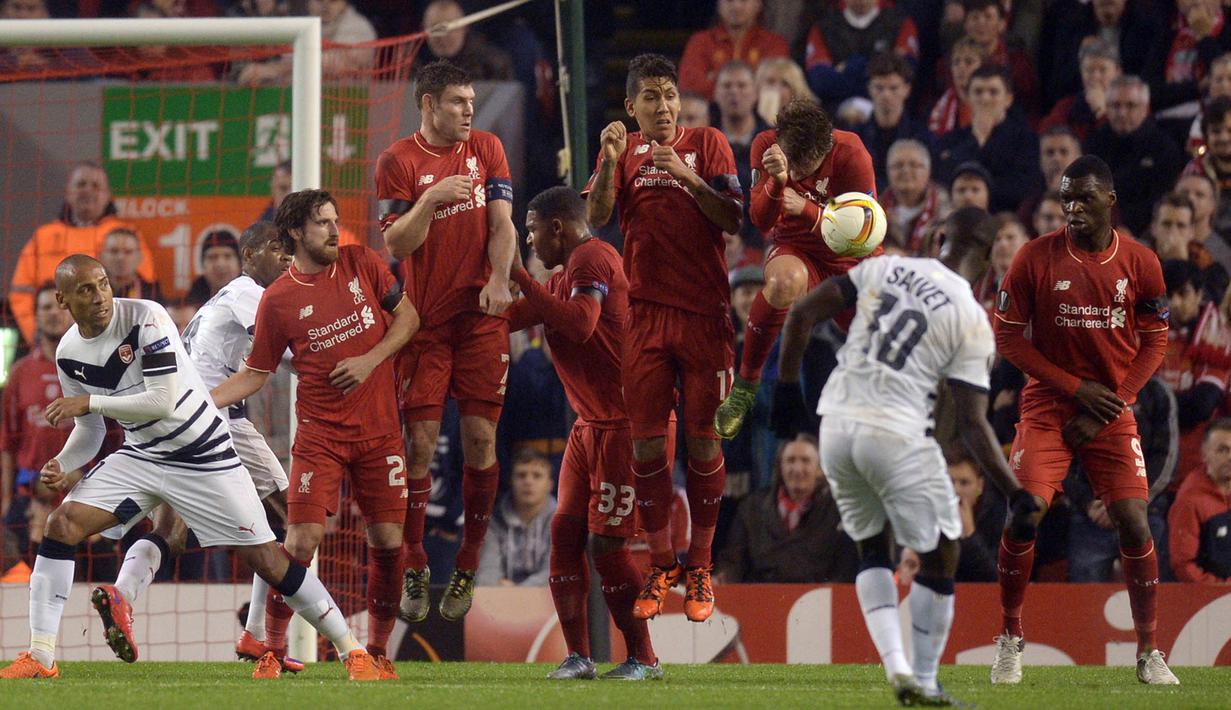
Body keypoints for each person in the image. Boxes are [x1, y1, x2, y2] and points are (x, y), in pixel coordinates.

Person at [0, 255, 382, 681]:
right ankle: (41, 655)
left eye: (103, 284)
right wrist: (64, 463)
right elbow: (89, 432)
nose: (100, 296)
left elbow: (160, 401)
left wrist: (90, 401)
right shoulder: (70, 352)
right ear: (64, 299)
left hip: (202, 453)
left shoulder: (146, 317)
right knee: (62, 524)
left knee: (268, 559)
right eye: (86, 290)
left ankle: (353, 650)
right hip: (142, 455)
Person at [772, 206, 1037, 705]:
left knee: (872, 547)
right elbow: (975, 424)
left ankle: (897, 669)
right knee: (943, 551)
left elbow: (803, 314)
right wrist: (1015, 494)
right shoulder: (971, 318)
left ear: (938, 237)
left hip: (836, 428)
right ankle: (926, 676)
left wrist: (788, 391)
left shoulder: (885, 266)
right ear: (987, 258)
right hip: (895, 433)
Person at [211, 190, 419, 680]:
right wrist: (196, 403)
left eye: (335, 220)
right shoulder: (278, 300)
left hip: (380, 432)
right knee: (301, 540)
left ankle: (379, 650)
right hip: (320, 435)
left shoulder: (363, 263)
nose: (333, 230)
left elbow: (409, 317)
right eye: (322, 223)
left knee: (388, 542)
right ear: (295, 234)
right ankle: (273, 648)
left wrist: (370, 361)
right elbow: (254, 373)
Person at [990, 155, 1179, 685]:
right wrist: (1077, 390)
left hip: (1113, 408)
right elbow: (1007, 338)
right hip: (1049, 405)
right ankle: (1010, 638)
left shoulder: (1141, 264)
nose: (1072, 208)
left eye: (1083, 198)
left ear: (1109, 201)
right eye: (1065, 198)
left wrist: (1113, 403)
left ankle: (1148, 652)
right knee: (1024, 512)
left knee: (1135, 521)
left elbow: (1156, 340)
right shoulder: (1033, 258)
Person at [585, 53, 743, 624]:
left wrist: (685, 174)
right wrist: (606, 163)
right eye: (650, 97)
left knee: (703, 441)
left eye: (670, 94)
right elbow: (598, 216)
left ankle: (700, 565)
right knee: (647, 446)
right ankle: (660, 561)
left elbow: (732, 218)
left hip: (705, 317)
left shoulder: (709, 143)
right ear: (631, 108)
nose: (663, 105)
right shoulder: (621, 151)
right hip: (645, 319)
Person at [375, 60, 517, 622]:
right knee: (418, 447)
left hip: (481, 319)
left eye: (472, 101)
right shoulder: (398, 161)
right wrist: (431, 199)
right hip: (425, 326)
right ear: (428, 104)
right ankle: (413, 562)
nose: (468, 111)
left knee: (481, 443)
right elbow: (399, 246)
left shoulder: (488, 147)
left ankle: (467, 564)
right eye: (457, 101)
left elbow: (503, 223)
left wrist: (503, 278)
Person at [502, 186, 660, 679]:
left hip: (627, 425)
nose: (529, 240)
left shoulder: (592, 257)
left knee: (607, 547)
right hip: (590, 425)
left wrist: (520, 276)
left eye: (531, 231)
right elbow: (511, 316)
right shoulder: (564, 275)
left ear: (557, 228)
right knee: (564, 531)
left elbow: (582, 325)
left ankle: (644, 659)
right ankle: (580, 658)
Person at [123, 222, 291, 669]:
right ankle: (261, 635)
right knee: (297, 521)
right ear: (250, 255)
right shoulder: (251, 293)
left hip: (179, 415)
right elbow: (289, 352)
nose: (288, 257)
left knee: (171, 535)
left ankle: (120, 596)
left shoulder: (220, 299)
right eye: (278, 248)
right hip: (219, 420)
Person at [714, 99, 877, 440]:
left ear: (827, 147)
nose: (800, 174)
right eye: (794, 165)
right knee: (783, 282)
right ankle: (745, 385)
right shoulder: (766, 146)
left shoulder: (853, 154)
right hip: (797, 249)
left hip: (849, 258)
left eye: (809, 167)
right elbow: (760, 220)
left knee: (878, 343)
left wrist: (808, 210)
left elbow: (862, 239)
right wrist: (775, 182)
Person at [9, 162, 156, 344]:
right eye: (81, 184)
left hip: (110, 340)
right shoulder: (43, 237)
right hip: (49, 343)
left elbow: (142, 288)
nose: (88, 190)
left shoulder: (124, 235)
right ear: (68, 192)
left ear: (108, 195)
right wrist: (38, 338)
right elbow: (20, 293)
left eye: (96, 186)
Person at [715, 432, 857, 583]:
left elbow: (845, 568)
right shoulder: (752, 508)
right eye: (790, 461)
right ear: (780, 468)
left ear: (820, 470)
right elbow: (733, 560)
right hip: (761, 597)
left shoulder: (837, 510)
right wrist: (723, 578)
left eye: (805, 461)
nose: (797, 469)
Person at [1, 284, 73, 576]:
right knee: (21, 578)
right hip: (27, 497)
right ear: (36, 316)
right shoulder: (20, 372)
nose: (54, 313)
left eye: (60, 306)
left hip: (80, 492)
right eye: (45, 307)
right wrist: (6, 501)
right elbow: (7, 442)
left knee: (84, 578)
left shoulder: (90, 368)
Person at [1083, 76, 1187, 235]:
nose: (1122, 113)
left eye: (1130, 106)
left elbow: (1161, 197)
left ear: (1145, 108)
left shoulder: (1163, 147)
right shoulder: (1094, 144)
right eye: (1116, 106)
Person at [933, 64, 1041, 213]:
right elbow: (945, 180)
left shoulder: (1026, 140)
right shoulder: (951, 140)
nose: (985, 99)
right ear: (968, 98)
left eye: (993, 92)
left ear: (1008, 99)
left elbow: (1022, 187)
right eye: (978, 92)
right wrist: (976, 141)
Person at [802, 0, 919, 108]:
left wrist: (847, 68)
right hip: (834, 112)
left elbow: (904, 73)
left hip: (888, 113)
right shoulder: (823, 27)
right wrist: (876, 71)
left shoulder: (900, 23)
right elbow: (820, 82)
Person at [678, 0, 790, 100]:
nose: (736, 6)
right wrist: (752, 81)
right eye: (729, 0)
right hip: (710, 118)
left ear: (758, 4)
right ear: (718, 4)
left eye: (744, 1)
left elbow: (774, 89)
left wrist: (715, 79)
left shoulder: (775, 43)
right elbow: (688, 87)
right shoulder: (700, 42)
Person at [856, 53, 933, 193]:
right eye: (879, 88)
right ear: (869, 89)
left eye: (893, 88)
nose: (886, 95)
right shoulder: (856, 138)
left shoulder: (923, 137)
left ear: (907, 89)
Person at [475, 450, 554, 588]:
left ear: (550, 485)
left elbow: (555, 574)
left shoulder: (563, 521)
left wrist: (518, 593)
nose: (528, 482)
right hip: (501, 601)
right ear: (511, 481)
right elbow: (486, 574)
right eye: (521, 475)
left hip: (550, 603)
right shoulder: (492, 521)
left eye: (537, 476)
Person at [1169, 418, 1231, 582]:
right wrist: (1221, 592)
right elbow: (1184, 566)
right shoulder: (1190, 500)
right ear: (1204, 454)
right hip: (1208, 599)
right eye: (1222, 450)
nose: (1230, 457)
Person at [879, 139, 951, 254]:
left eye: (913, 165)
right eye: (898, 166)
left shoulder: (947, 212)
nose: (906, 171)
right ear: (887, 171)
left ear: (928, 171)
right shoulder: (875, 209)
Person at [415, 0, 513, 81]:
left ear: (465, 27)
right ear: (423, 30)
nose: (443, 37)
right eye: (435, 29)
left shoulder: (492, 65)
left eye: (451, 28)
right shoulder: (410, 64)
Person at [99, 227, 164, 303]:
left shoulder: (152, 291)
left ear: (139, 257)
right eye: (114, 251)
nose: (120, 257)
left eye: (128, 252)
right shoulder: (92, 290)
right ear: (101, 256)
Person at [185, 231, 242, 306]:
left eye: (227, 256)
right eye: (213, 257)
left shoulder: (253, 294)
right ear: (203, 265)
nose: (220, 264)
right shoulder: (193, 302)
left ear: (240, 263)